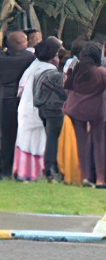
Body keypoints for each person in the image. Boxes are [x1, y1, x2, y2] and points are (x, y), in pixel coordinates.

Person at [13, 39, 61, 181]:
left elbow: (19, 90)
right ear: (52, 56)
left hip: (24, 109)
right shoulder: (50, 70)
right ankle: (35, 173)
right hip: (39, 111)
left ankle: (21, 172)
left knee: (24, 141)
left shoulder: (33, 66)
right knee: (38, 142)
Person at [0, 29, 30, 176]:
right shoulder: (27, 57)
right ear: (19, 43)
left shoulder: (4, 57)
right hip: (14, 101)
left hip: (4, 98)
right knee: (13, 136)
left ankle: (5, 168)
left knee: (6, 136)